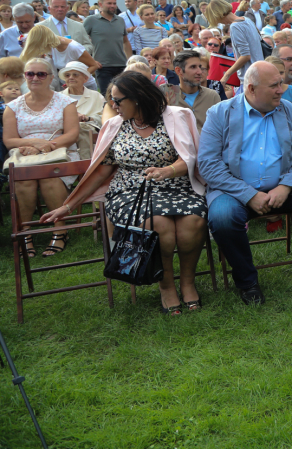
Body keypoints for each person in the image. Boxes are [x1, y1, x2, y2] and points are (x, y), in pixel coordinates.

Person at [41, 71, 208, 314]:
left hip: (177, 185)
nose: (113, 105)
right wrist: (68, 206)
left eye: (118, 100)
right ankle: (167, 286)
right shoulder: (115, 126)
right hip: (131, 190)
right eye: (111, 99)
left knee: (192, 222)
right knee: (158, 225)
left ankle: (188, 282)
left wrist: (169, 170)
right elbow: (100, 172)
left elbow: (191, 158)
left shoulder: (177, 117)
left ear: (137, 98)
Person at [199, 62, 292, 304]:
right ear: (251, 89)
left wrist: (286, 186)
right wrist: (248, 195)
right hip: (233, 190)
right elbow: (208, 165)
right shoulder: (220, 113)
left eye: (281, 83)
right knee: (222, 218)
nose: (281, 90)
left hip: (286, 185)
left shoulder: (288, 110)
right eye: (274, 85)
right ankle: (247, 282)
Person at [4, 58, 81, 258]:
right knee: (25, 180)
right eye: (30, 74)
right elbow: (9, 140)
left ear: (50, 78)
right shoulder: (13, 106)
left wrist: (46, 146)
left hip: (59, 152)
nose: (35, 78)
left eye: (41, 74)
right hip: (25, 155)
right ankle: (25, 233)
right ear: (24, 77)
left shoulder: (65, 102)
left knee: (49, 177)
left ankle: (60, 231)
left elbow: (72, 134)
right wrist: (31, 146)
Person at [204, 0, 264, 92]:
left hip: (249, 78)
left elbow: (245, 56)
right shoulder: (247, 20)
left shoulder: (235, 26)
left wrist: (226, 75)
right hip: (260, 72)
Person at [84, 0, 133, 94]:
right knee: (107, 95)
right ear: (100, 4)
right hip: (103, 66)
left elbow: (125, 41)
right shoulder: (91, 20)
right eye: (109, 3)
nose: (112, 6)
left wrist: (130, 60)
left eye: (114, 3)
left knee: (123, 94)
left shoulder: (120, 20)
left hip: (121, 64)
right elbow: (81, 41)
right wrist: (90, 61)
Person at [20, 25, 101, 85]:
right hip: (67, 86)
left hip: (85, 86)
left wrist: (75, 79)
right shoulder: (52, 47)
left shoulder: (73, 47)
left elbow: (94, 65)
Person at [58, 61, 104, 159]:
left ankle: (87, 166)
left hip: (90, 137)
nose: (70, 77)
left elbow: (105, 119)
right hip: (64, 136)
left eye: (75, 74)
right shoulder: (58, 97)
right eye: (67, 75)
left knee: (82, 129)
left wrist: (87, 118)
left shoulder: (96, 96)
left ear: (85, 78)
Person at [167, 50, 221, 131]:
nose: (199, 72)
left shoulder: (212, 96)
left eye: (200, 67)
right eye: (193, 67)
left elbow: (222, 128)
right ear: (179, 71)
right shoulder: (169, 96)